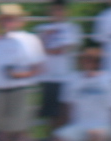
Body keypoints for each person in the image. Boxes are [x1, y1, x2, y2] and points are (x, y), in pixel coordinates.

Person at [0, 4, 45, 141]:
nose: (6, 22)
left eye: (10, 19)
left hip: (20, 90)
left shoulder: (29, 40)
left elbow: (39, 68)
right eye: (3, 19)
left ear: (20, 20)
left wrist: (18, 75)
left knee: (19, 132)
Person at [53, 44, 111, 141]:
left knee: (95, 136)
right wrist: (64, 125)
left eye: (92, 60)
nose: (87, 63)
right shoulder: (72, 80)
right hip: (78, 125)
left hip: (104, 126)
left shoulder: (110, 81)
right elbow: (67, 106)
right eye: (85, 59)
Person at [33, 0, 82, 129]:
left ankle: (65, 140)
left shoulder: (71, 28)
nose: (57, 13)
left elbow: (65, 48)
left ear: (66, 12)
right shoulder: (41, 29)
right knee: (51, 114)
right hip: (48, 76)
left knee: (65, 111)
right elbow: (38, 48)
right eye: (54, 10)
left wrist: (48, 48)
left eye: (60, 10)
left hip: (66, 77)